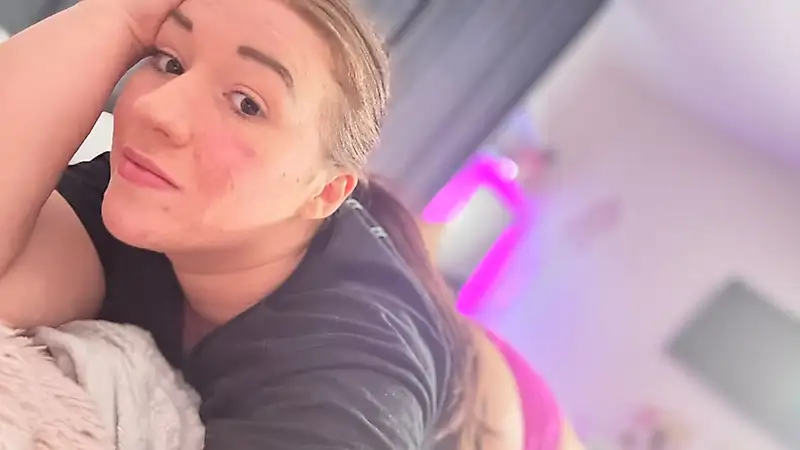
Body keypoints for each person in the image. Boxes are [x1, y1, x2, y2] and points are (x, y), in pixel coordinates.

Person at [0, 0, 489, 448]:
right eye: (170, 62)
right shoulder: (143, 190)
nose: (154, 110)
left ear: (325, 192)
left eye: (247, 104)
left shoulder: (354, 367)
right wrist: (121, 15)